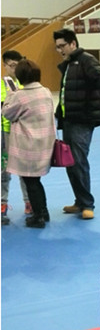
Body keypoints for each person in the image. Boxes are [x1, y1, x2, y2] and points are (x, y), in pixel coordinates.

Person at [53, 28, 100, 220]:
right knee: (69, 162)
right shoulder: (68, 65)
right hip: (69, 119)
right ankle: (79, 201)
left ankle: (87, 204)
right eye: (57, 47)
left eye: (62, 46)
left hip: (83, 119)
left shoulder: (86, 60)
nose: (60, 50)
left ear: (73, 44)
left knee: (78, 160)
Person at [2, 60, 55, 229]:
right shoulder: (46, 92)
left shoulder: (20, 96)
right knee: (36, 181)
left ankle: (38, 216)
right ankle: (44, 212)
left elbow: (7, 113)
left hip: (28, 145)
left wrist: (10, 95)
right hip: (45, 143)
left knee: (31, 182)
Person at [1, 50, 32, 224]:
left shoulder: (26, 85)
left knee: (25, 170)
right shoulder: (1, 85)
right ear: (5, 65)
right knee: (3, 171)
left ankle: (29, 202)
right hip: (4, 133)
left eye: (17, 65)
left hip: (23, 133)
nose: (14, 69)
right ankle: (2, 204)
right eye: (11, 65)